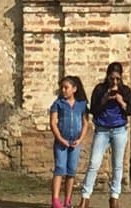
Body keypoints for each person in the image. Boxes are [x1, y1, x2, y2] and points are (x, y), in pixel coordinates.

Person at [78, 61, 131, 208]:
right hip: (102, 130)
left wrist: (121, 102)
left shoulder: (126, 91)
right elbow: (94, 110)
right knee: (94, 164)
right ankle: (85, 198)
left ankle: (114, 197)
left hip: (119, 130)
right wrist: (105, 98)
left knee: (117, 165)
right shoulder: (99, 89)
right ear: (107, 77)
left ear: (121, 78)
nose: (114, 82)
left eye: (117, 79)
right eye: (112, 78)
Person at [49, 75, 89, 208]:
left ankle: (67, 200)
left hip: (74, 143)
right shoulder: (58, 104)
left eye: (66, 87)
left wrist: (80, 139)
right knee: (60, 168)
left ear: (74, 89)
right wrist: (60, 139)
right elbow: (53, 123)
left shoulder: (81, 105)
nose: (64, 90)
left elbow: (85, 123)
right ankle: (55, 200)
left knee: (71, 171)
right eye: (62, 88)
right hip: (61, 142)